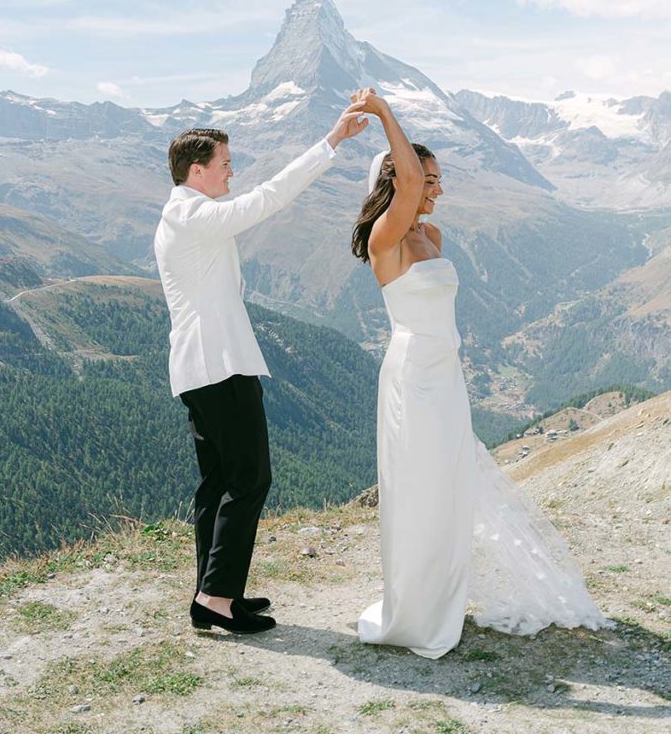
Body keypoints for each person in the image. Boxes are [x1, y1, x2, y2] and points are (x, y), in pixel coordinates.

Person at [351, 87, 612, 658]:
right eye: (429, 179)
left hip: (446, 375)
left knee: (449, 488)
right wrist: (382, 113)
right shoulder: (385, 237)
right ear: (398, 181)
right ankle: (414, 613)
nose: (438, 188)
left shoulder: (432, 237)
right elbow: (412, 184)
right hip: (413, 375)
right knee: (419, 488)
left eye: (439, 179)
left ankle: (444, 596)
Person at [154, 100, 369, 634]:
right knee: (249, 478)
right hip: (219, 363)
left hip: (201, 365)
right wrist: (331, 141)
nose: (232, 171)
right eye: (225, 163)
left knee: (220, 481)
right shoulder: (193, 214)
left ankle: (216, 594)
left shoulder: (185, 215)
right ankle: (217, 597)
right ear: (196, 170)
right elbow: (267, 198)